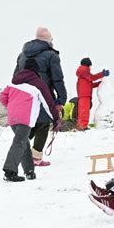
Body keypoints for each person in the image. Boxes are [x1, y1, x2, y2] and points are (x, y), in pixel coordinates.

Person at [0, 59, 61, 182]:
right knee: (20, 143)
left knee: (23, 142)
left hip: (13, 117)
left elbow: (2, 97)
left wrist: (12, 108)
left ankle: (29, 171)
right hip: (25, 118)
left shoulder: (13, 82)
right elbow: (48, 104)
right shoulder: (38, 84)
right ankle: (9, 171)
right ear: (36, 70)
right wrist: (56, 119)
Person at [14, 27, 67, 166]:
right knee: (43, 123)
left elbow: (16, 76)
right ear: (48, 40)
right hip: (43, 94)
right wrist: (61, 99)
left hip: (24, 96)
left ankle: (18, 153)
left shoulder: (22, 55)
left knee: (30, 124)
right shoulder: (51, 55)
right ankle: (35, 158)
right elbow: (57, 79)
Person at [76, 57, 109, 131]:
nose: (90, 67)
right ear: (87, 65)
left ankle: (81, 125)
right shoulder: (84, 71)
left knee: (83, 111)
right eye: (90, 65)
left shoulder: (83, 74)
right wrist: (102, 74)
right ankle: (82, 126)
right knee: (84, 111)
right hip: (84, 95)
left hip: (83, 95)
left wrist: (100, 83)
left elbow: (90, 85)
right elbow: (92, 78)